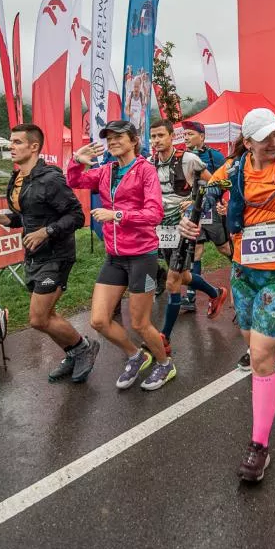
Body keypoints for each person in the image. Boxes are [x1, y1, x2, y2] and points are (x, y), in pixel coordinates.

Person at [179, 108, 275, 482]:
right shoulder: (233, 169)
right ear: (248, 142)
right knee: (254, 342)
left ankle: (259, 447)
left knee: (260, 359)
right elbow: (207, 193)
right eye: (266, 137)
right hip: (243, 272)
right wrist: (191, 216)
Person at [0, 124, 94, 382]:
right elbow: (25, 217)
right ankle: (72, 353)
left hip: (56, 255)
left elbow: (77, 216)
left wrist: (46, 232)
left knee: (38, 318)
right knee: (47, 315)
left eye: (17, 142)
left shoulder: (50, 179)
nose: (11, 146)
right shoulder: (18, 179)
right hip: (34, 255)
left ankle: (84, 347)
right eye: (11, 142)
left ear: (34, 147)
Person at [67, 120, 176, 390]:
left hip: (143, 256)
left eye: (119, 137)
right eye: (109, 138)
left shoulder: (145, 170)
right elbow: (75, 180)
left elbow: (155, 214)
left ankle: (165, 364)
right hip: (115, 256)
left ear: (134, 140)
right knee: (99, 320)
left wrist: (116, 215)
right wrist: (77, 161)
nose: (113, 141)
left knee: (140, 324)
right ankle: (136, 355)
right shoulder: (107, 170)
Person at [149, 119, 228, 350]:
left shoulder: (189, 159)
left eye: (161, 135)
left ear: (171, 136)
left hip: (185, 225)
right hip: (163, 227)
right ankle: (216, 293)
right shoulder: (149, 163)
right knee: (182, 275)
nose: (156, 140)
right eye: (153, 136)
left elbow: (217, 183)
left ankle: (164, 337)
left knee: (172, 280)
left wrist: (195, 202)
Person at [181, 120, 232, 312]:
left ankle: (243, 271)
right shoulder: (182, 157)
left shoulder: (215, 156)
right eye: (184, 134)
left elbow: (226, 181)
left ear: (201, 136)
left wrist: (222, 200)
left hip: (212, 211)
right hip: (193, 212)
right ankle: (191, 297)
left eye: (190, 134)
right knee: (196, 250)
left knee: (224, 248)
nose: (186, 137)